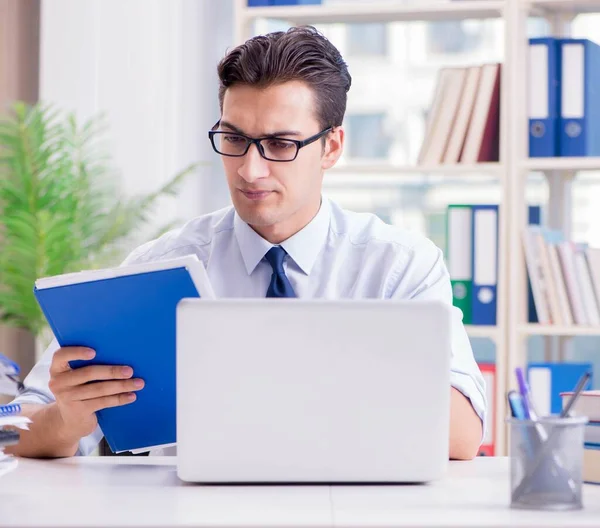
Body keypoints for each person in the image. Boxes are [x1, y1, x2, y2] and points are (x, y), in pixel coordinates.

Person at [7, 26, 486, 460]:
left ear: (332, 147)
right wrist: (69, 420)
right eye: (233, 139)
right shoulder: (158, 268)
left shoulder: (397, 267)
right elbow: (17, 426)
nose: (250, 170)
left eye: (281, 144)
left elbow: (462, 435)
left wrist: (306, 369)